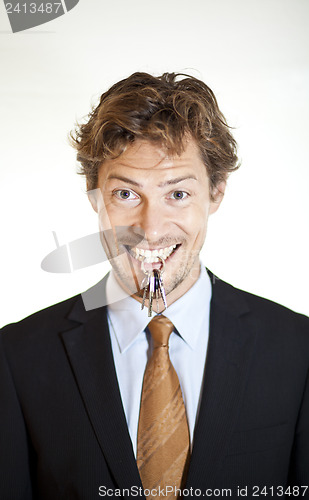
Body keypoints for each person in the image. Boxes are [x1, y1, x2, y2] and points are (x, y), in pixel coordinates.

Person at [1, 72, 308, 500]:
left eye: (177, 194)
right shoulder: (16, 355)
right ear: (95, 198)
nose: (150, 228)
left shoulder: (298, 347)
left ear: (216, 193)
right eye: (126, 194)